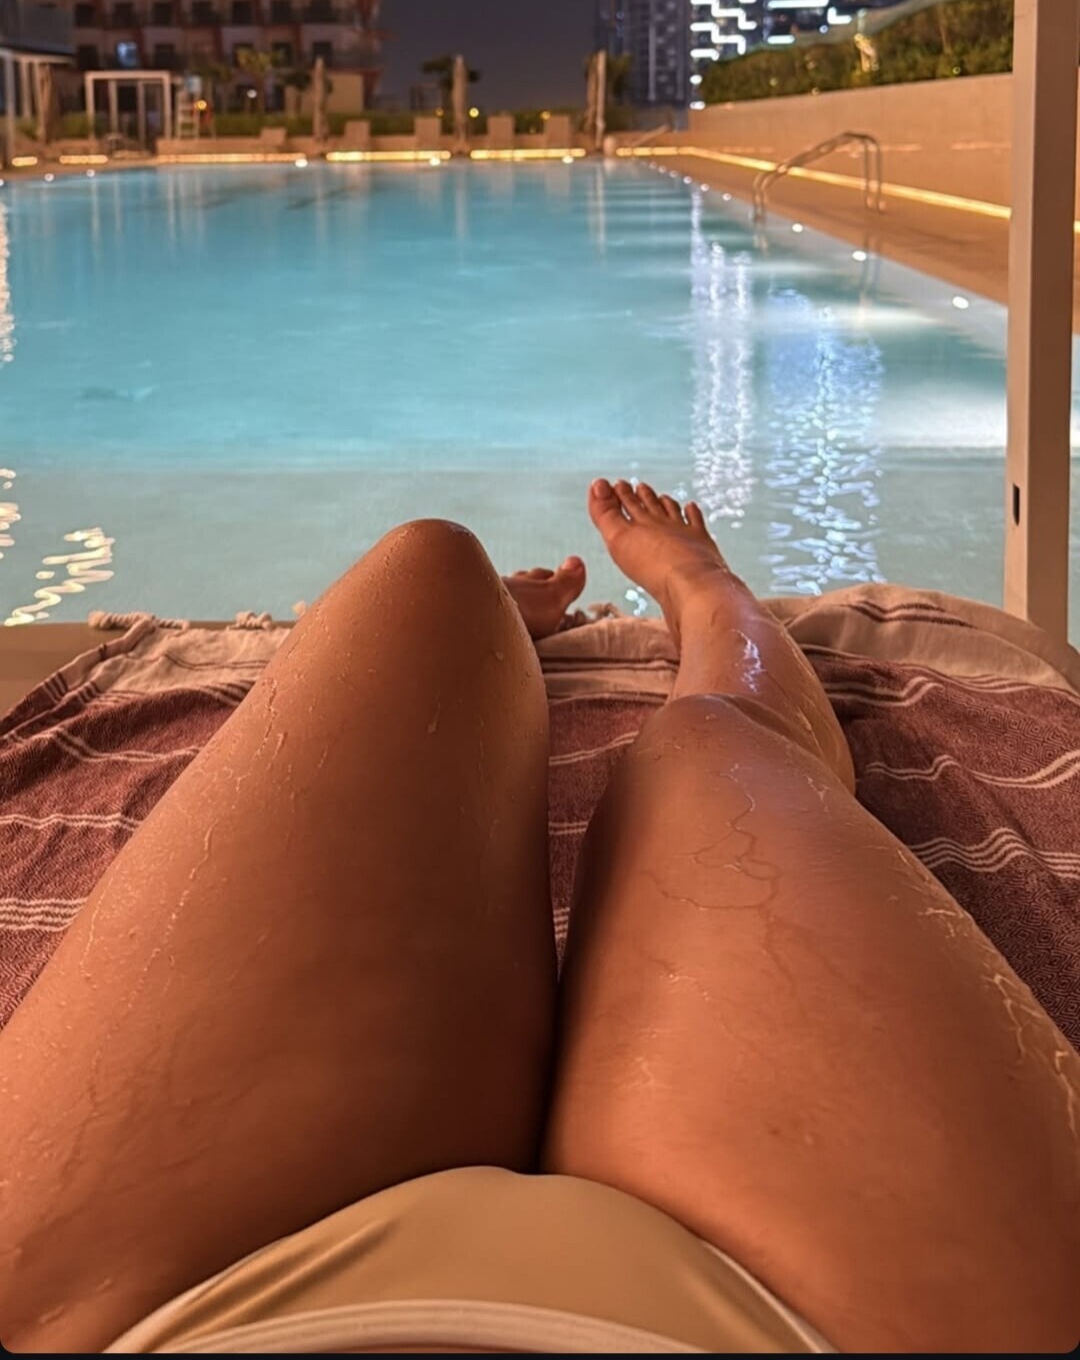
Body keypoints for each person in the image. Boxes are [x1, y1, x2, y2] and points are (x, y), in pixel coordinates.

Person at [1, 480, 1077, 1356]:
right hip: (841, 1325)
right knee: (715, 742)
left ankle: (485, 638)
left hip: (139, 1320)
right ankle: (704, 597)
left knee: (423, 573)